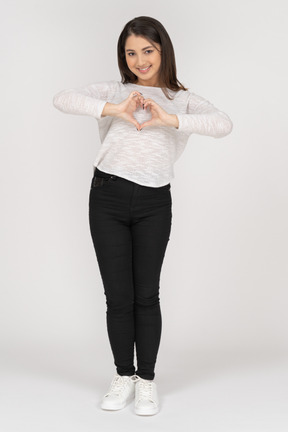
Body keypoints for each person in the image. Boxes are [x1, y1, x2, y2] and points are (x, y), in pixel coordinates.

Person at [52, 15, 233, 416]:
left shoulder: (181, 98)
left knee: (146, 296)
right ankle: (123, 375)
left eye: (147, 51)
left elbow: (223, 124)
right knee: (118, 298)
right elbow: (62, 98)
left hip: (154, 203)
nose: (139, 60)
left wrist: (170, 119)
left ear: (163, 50)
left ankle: (147, 380)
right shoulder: (116, 91)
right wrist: (115, 109)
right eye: (131, 53)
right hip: (107, 198)